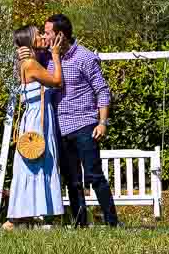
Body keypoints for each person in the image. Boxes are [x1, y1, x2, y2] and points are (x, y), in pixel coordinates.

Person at [21, 13, 119, 227]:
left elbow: (102, 91)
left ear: (60, 35)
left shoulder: (85, 57)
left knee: (94, 176)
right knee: (73, 181)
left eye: (47, 33)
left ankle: (113, 223)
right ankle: (80, 224)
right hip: (59, 129)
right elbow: (24, 68)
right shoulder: (45, 57)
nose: (44, 37)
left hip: (85, 126)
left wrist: (102, 123)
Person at [3, 24, 65, 230]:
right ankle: (19, 218)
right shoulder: (30, 64)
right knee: (38, 161)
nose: (41, 36)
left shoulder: (26, 61)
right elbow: (57, 81)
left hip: (35, 117)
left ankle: (25, 216)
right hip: (38, 119)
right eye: (37, 34)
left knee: (33, 165)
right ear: (29, 40)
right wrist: (55, 54)